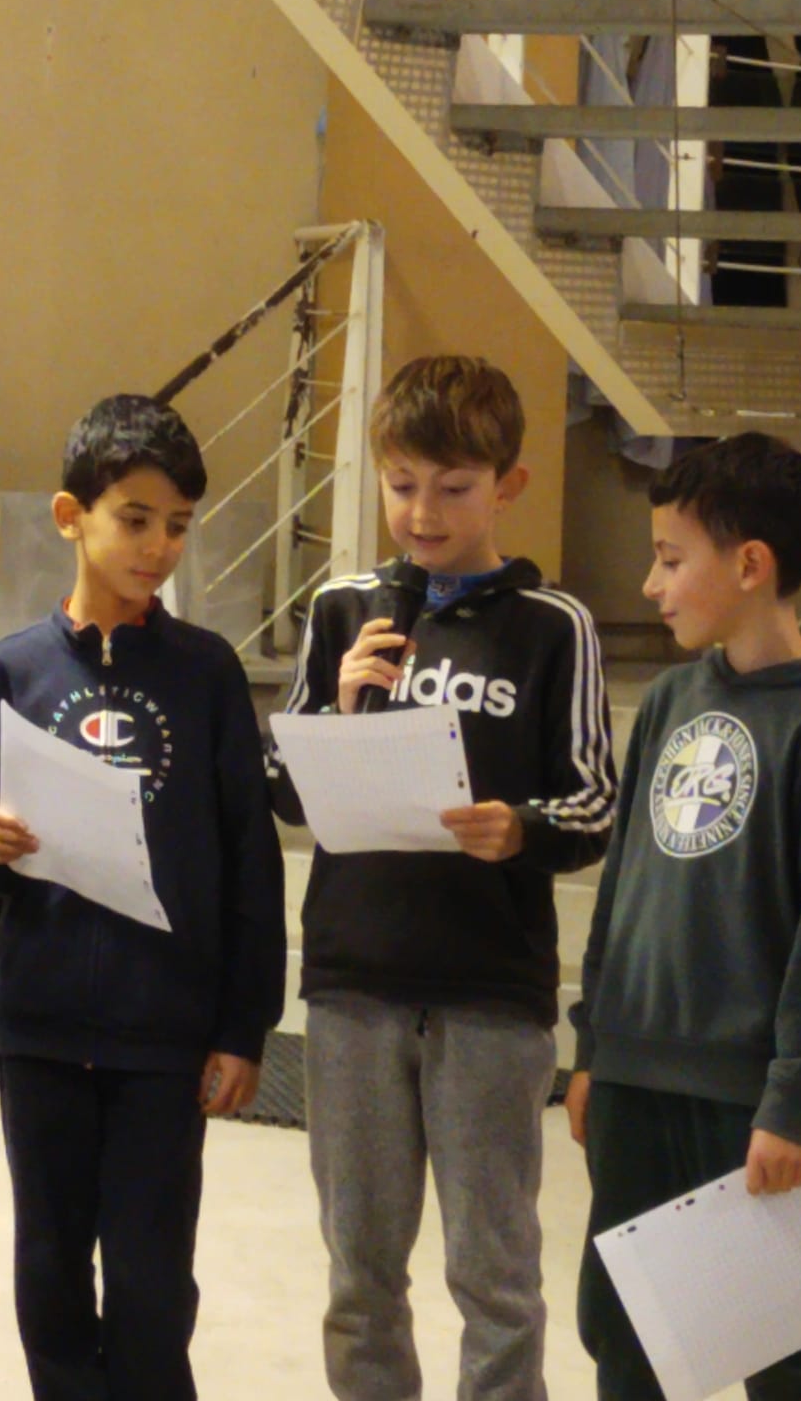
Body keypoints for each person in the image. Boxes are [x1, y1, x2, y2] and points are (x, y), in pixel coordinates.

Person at [268, 354, 616, 1401]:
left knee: (494, 1272)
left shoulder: (553, 624)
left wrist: (520, 828)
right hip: (355, 983)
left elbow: (595, 803)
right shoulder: (344, 609)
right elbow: (281, 789)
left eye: (454, 488)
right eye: (402, 483)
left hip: (489, 989)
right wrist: (335, 708)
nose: (423, 513)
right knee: (359, 1271)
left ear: (507, 485)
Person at [0, 393, 285, 1401]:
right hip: (41, 1027)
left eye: (177, 524)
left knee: (149, 1278)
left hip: (163, 1036)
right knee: (49, 1266)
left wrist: (242, 1027)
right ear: (72, 515)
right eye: (135, 519)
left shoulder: (207, 672)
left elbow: (250, 860)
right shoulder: (16, 667)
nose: (158, 546)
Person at [567, 433, 801, 1401]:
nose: (651, 583)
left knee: (776, 1351)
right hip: (633, 1077)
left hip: (741, 1095)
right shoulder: (671, 697)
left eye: (672, 559)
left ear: (750, 563)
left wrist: (792, 1100)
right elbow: (624, 884)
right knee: (622, 1335)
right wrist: (594, 1046)